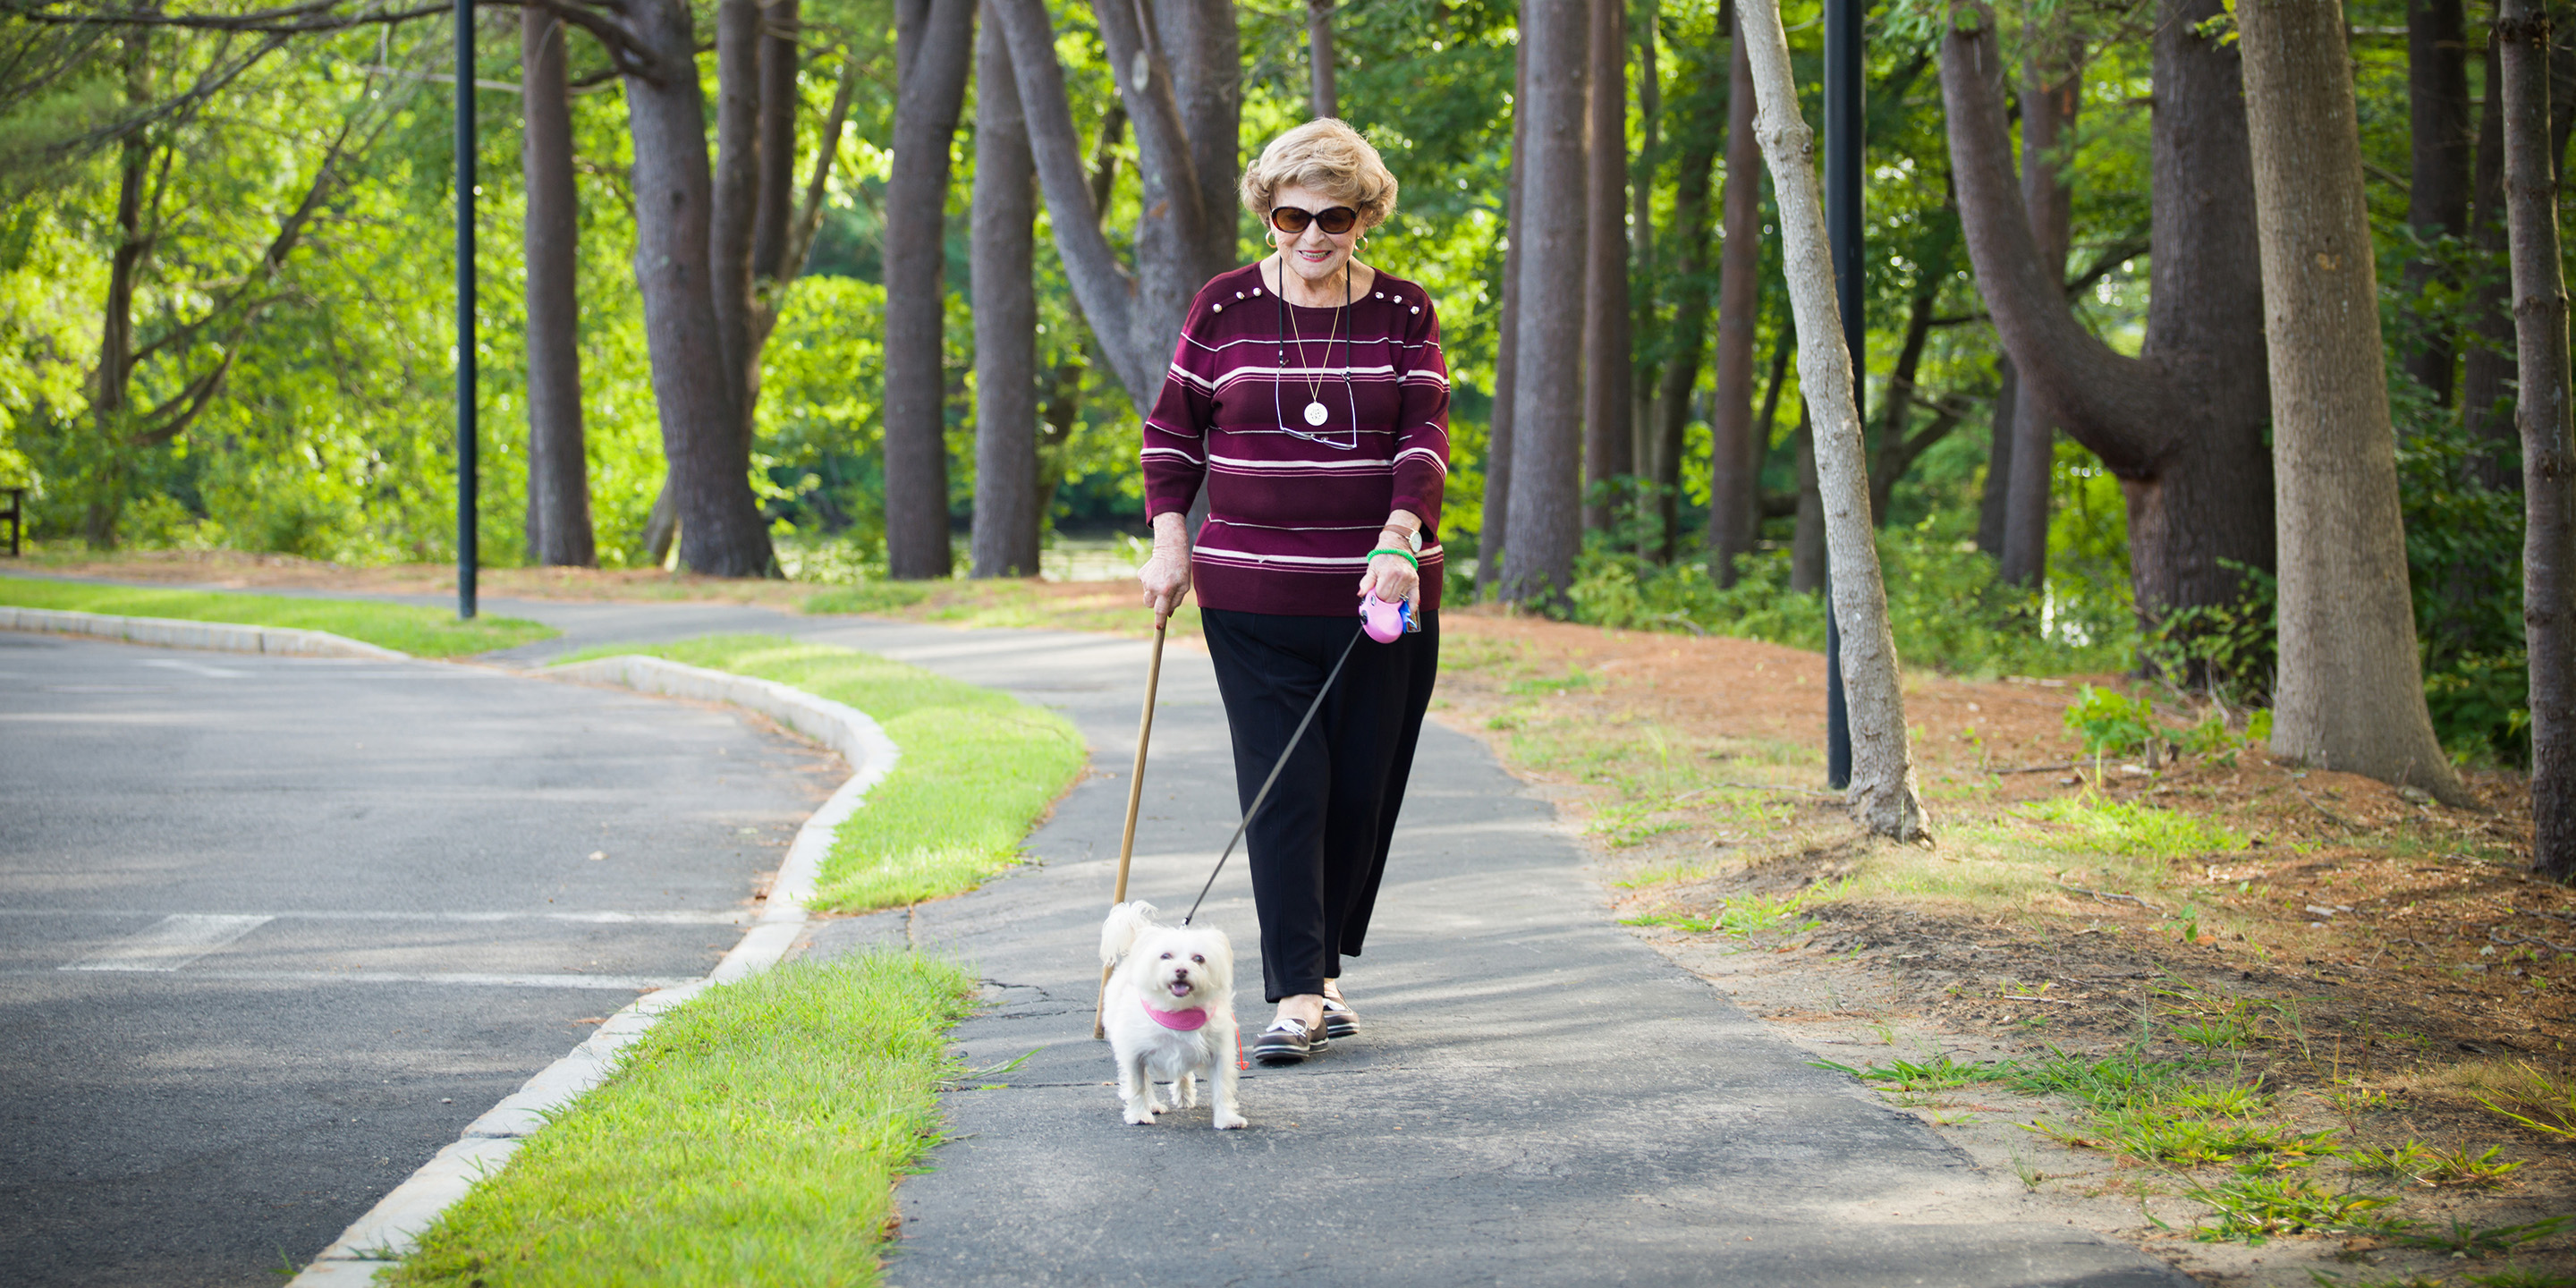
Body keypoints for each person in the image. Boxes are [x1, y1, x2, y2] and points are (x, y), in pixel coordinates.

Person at [1137, 119, 1449, 1066]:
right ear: (1266, 213)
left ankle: (1324, 972)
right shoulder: (1224, 307)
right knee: (1287, 790)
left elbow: (1424, 438)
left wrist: (1400, 537)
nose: (1311, 236)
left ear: (1367, 216)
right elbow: (1171, 434)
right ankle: (1298, 994)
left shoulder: (1403, 311)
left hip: (1376, 600)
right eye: (1290, 215)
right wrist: (1169, 541)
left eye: (1334, 216)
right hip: (1253, 597)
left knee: (1360, 793)